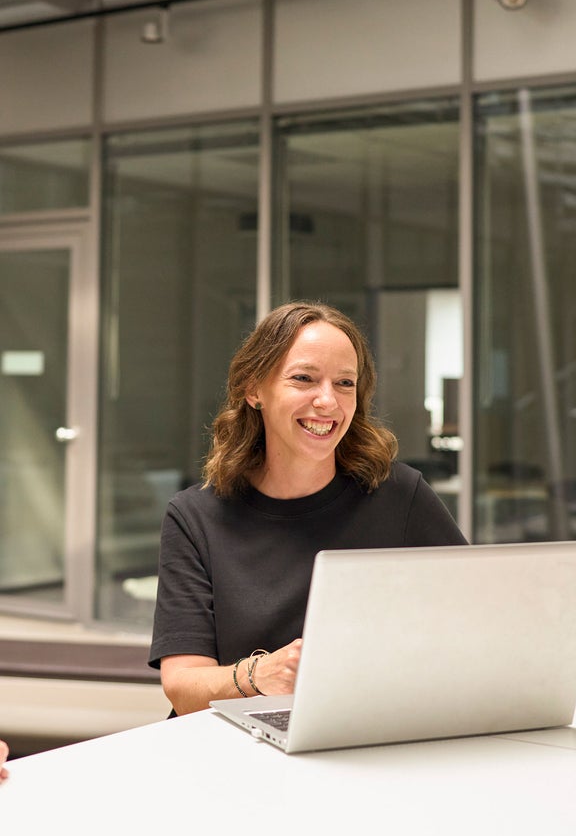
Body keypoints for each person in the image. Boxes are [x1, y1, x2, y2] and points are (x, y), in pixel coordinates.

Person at [149, 301, 466, 715]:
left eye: (345, 383)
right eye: (304, 378)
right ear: (253, 389)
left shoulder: (401, 495)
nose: (328, 402)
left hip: (361, 730)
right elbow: (182, 687)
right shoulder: (195, 517)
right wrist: (259, 676)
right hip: (231, 749)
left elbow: (473, 621)